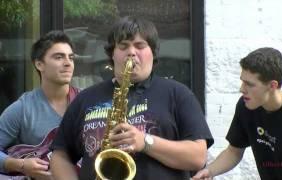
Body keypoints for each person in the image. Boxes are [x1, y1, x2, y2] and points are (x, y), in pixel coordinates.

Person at [49, 16, 214, 180]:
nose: (131, 52)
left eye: (140, 46)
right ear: (112, 54)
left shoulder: (178, 94)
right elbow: (60, 155)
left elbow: (198, 157)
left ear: (153, 52)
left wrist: (145, 142)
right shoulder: (85, 98)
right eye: (123, 46)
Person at [192, 47, 282, 180]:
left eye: (249, 84)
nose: (242, 89)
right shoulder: (246, 106)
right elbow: (234, 151)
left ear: (272, 86)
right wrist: (209, 171)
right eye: (242, 81)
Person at [0, 30, 78, 179]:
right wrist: (21, 165)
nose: (68, 63)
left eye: (71, 58)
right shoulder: (23, 108)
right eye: (59, 57)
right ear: (39, 64)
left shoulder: (87, 102)